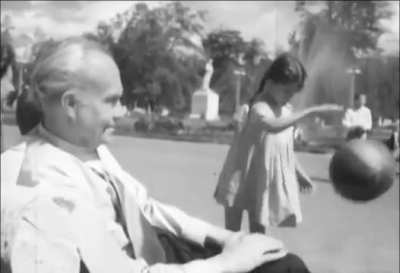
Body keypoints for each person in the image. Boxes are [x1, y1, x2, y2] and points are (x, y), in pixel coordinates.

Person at [1, 37, 311, 273]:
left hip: (149, 249)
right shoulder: (40, 193)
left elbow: (145, 207)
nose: (121, 112)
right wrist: (229, 263)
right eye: (112, 101)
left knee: (281, 263)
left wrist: (226, 238)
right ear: (71, 104)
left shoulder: (84, 146)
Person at [214, 53, 343, 233]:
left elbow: (284, 148)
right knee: (230, 235)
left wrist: (299, 172)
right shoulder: (258, 108)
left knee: (258, 234)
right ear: (270, 82)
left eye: (293, 93)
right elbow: (273, 126)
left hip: (261, 181)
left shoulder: (286, 111)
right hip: (239, 179)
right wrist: (312, 110)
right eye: (286, 91)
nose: (289, 96)